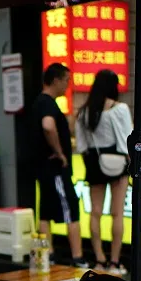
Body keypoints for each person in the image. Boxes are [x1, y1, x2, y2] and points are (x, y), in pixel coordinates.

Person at [74, 69, 133, 274]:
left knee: (95, 213)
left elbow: (81, 145)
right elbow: (128, 140)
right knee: (117, 214)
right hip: (117, 163)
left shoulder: (84, 111)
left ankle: (99, 260)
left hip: (94, 162)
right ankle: (115, 262)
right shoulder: (120, 109)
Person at [32, 63, 87, 267]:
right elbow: (48, 126)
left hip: (43, 167)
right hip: (54, 167)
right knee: (70, 207)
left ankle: (49, 254)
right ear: (56, 80)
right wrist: (59, 152)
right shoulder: (47, 103)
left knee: (45, 210)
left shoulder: (39, 102)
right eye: (66, 80)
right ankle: (77, 257)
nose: (67, 85)